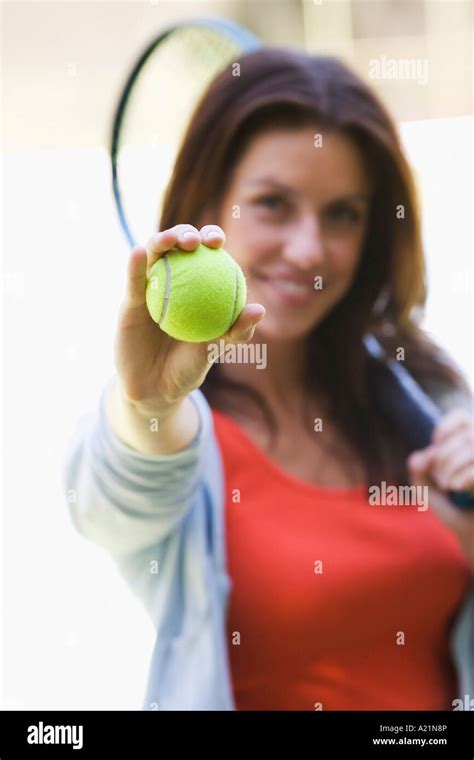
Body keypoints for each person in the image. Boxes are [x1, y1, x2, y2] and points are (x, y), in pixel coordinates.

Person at [63, 48, 474, 711]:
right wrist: (149, 404)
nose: (310, 249)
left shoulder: (432, 393)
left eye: (343, 213)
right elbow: (107, 503)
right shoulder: (174, 430)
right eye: (273, 203)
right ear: (206, 207)